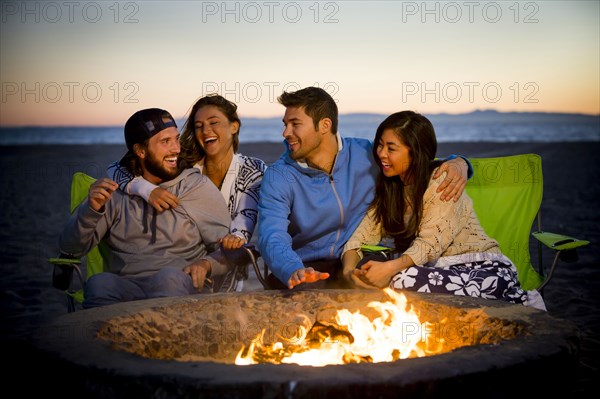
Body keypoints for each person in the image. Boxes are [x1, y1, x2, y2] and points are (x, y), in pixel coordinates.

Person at [257, 87, 471, 290]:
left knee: (384, 288)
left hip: (359, 259)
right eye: (285, 124)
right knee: (308, 296)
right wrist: (293, 269)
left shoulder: (367, 154)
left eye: (295, 124)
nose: (286, 132)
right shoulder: (278, 176)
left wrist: (459, 162)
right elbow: (271, 236)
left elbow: (415, 160)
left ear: (324, 125)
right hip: (307, 266)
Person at [341, 111, 545, 309]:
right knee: (371, 269)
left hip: (486, 272)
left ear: (416, 153)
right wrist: (349, 271)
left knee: (402, 279)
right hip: (438, 274)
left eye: (391, 148)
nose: (381, 154)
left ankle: (519, 300)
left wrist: (388, 270)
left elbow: (429, 244)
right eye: (380, 145)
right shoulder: (391, 189)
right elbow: (360, 238)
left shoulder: (441, 181)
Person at [59, 108, 242, 308]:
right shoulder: (114, 193)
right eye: (165, 142)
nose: (176, 149)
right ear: (140, 151)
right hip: (126, 284)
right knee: (99, 284)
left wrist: (206, 264)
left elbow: (228, 248)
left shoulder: (194, 186)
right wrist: (91, 210)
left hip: (180, 282)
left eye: (176, 139)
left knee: (168, 278)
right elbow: (70, 248)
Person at [108, 94, 267, 251]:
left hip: (224, 260)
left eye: (214, 122)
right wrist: (147, 190)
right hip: (181, 261)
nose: (205, 131)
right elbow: (115, 168)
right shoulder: (181, 160)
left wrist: (237, 236)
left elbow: (247, 214)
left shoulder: (252, 169)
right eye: (198, 126)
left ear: (234, 126)